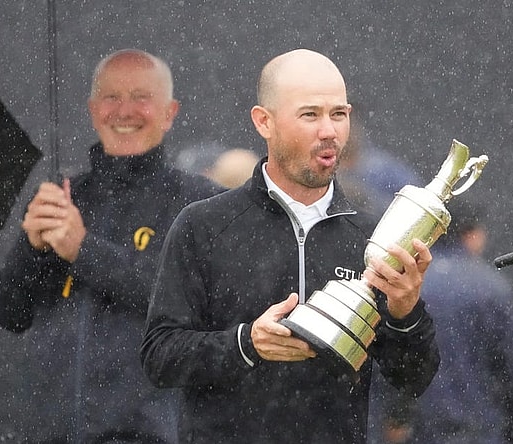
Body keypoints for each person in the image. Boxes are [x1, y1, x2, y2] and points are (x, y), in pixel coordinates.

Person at [140, 48, 440, 444]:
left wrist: (406, 313)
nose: (329, 130)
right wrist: (246, 343)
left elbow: (414, 378)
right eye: (310, 114)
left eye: (339, 114)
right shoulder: (203, 225)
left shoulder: (370, 235)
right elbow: (160, 357)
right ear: (264, 121)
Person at [0, 49, 224, 443]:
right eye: (112, 97)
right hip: (51, 432)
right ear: (93, 109)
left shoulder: (198, 202)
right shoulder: (62, 197)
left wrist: (83, 250)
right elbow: (10, 313)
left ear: (169, 112)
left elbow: (189, 302)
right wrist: (33, 249)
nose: (124, 110)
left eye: (141, 98)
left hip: (151, 434)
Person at [370, 201, 513, 444]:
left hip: (414, 433)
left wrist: (396, 417)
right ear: (473, 234)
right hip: (479, 430)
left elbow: (385, 367)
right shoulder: (490, 287)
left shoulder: (404, 285)